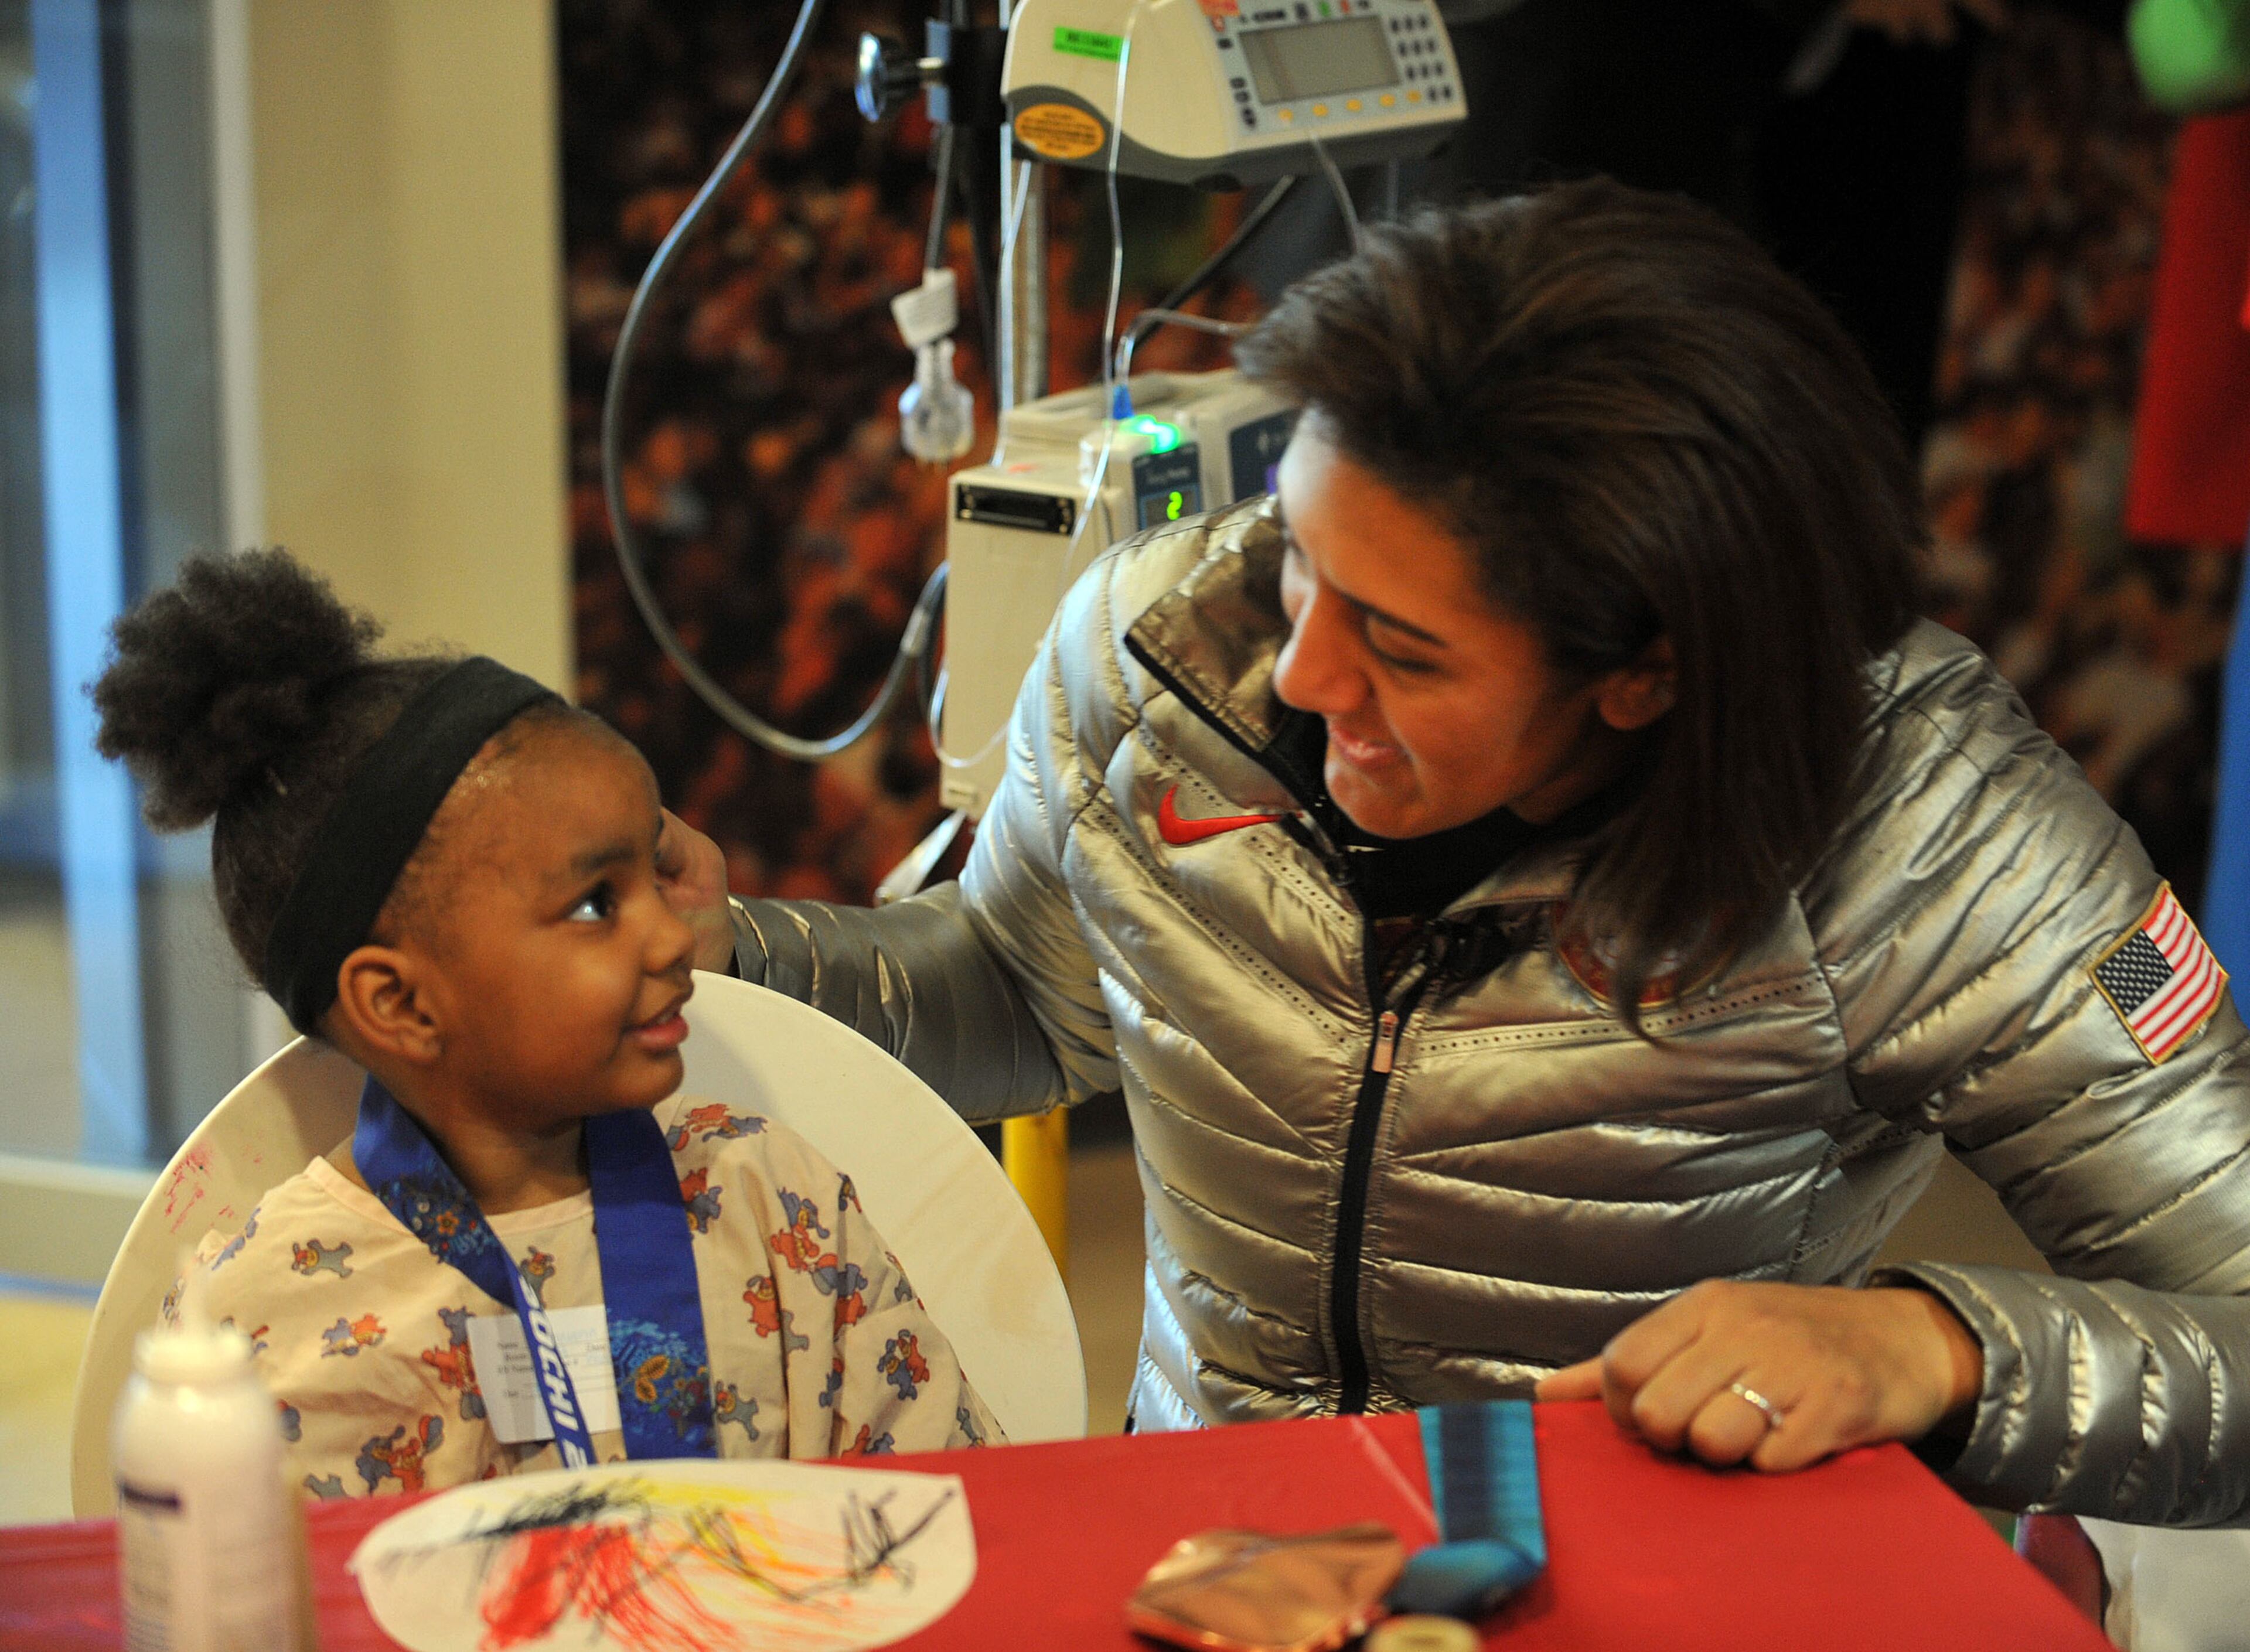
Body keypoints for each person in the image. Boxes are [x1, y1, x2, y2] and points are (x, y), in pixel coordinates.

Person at [654, 179, 2250, 1524]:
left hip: (1651, 1562)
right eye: (1302, 561)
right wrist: (727, 961)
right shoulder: (1157, 647)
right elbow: (1020, 992)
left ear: (1652, 671)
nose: (1299, 674)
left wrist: (1931, 1351)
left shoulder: (1929, 822)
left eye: (1406, 652)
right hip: (1224, 1540)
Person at [93, 551, 998, 1499]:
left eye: (656, 874)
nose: (671, 935)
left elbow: (955, 1521)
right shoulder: (253, 1324)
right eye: (594, 905)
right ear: (398, 1003)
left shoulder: (769, 1201)